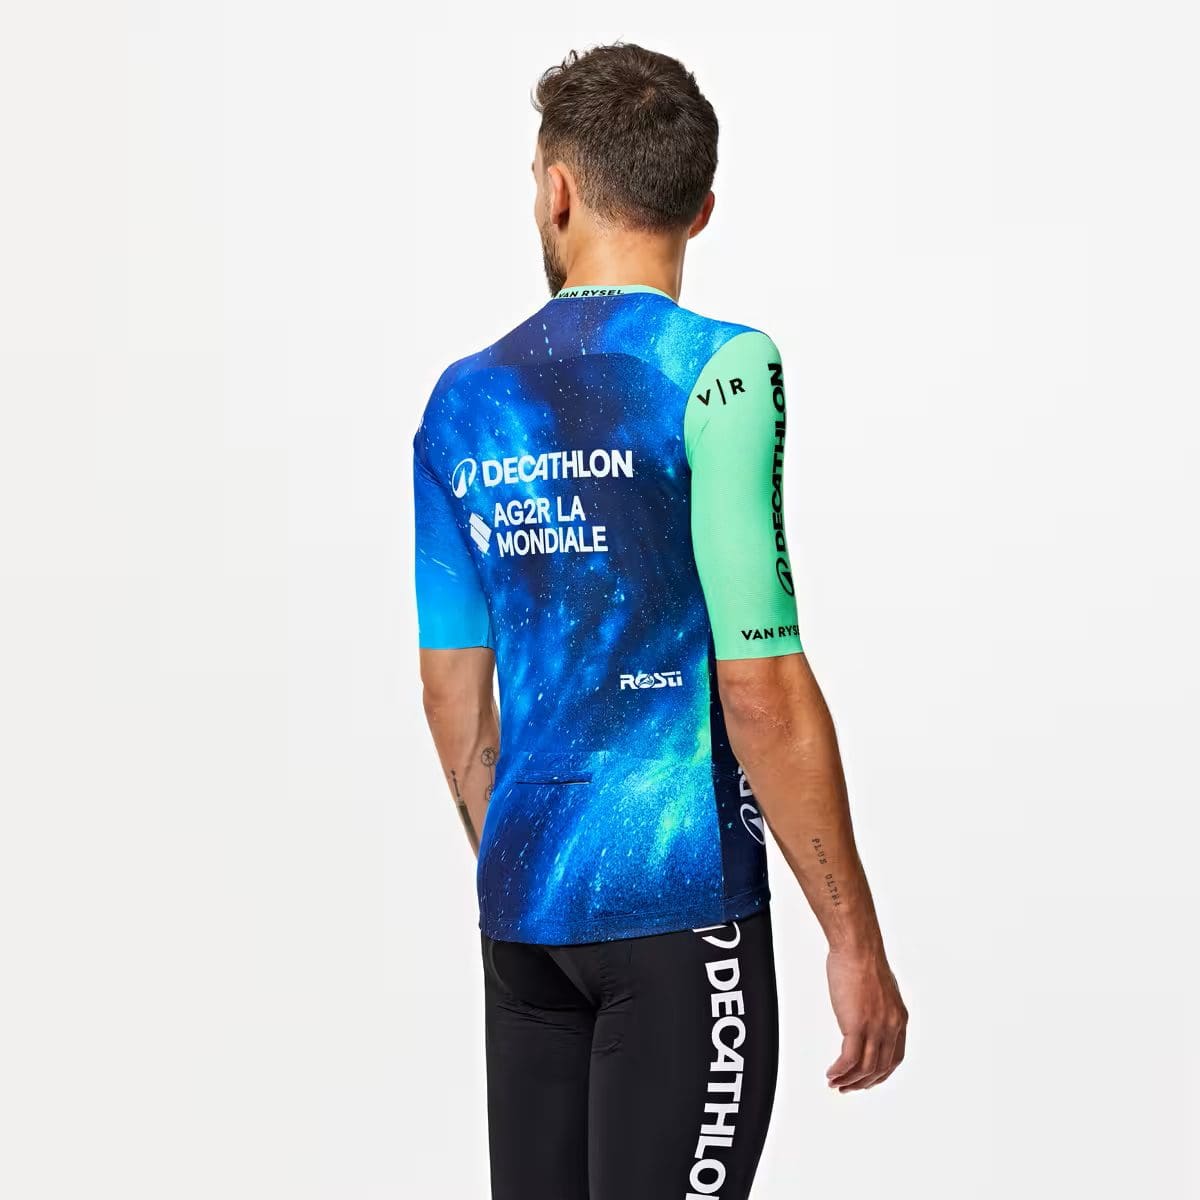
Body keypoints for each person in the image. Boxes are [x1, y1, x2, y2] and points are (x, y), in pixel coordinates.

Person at [413, 42, 907, 1200]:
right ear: (701, 206)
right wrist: (853, 938)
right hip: (682, 917)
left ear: (558, 189)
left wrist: (535, 862)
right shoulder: (721, 372)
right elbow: (759, 686)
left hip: (524, 917)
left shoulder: (463, 402)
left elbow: (449, 691)